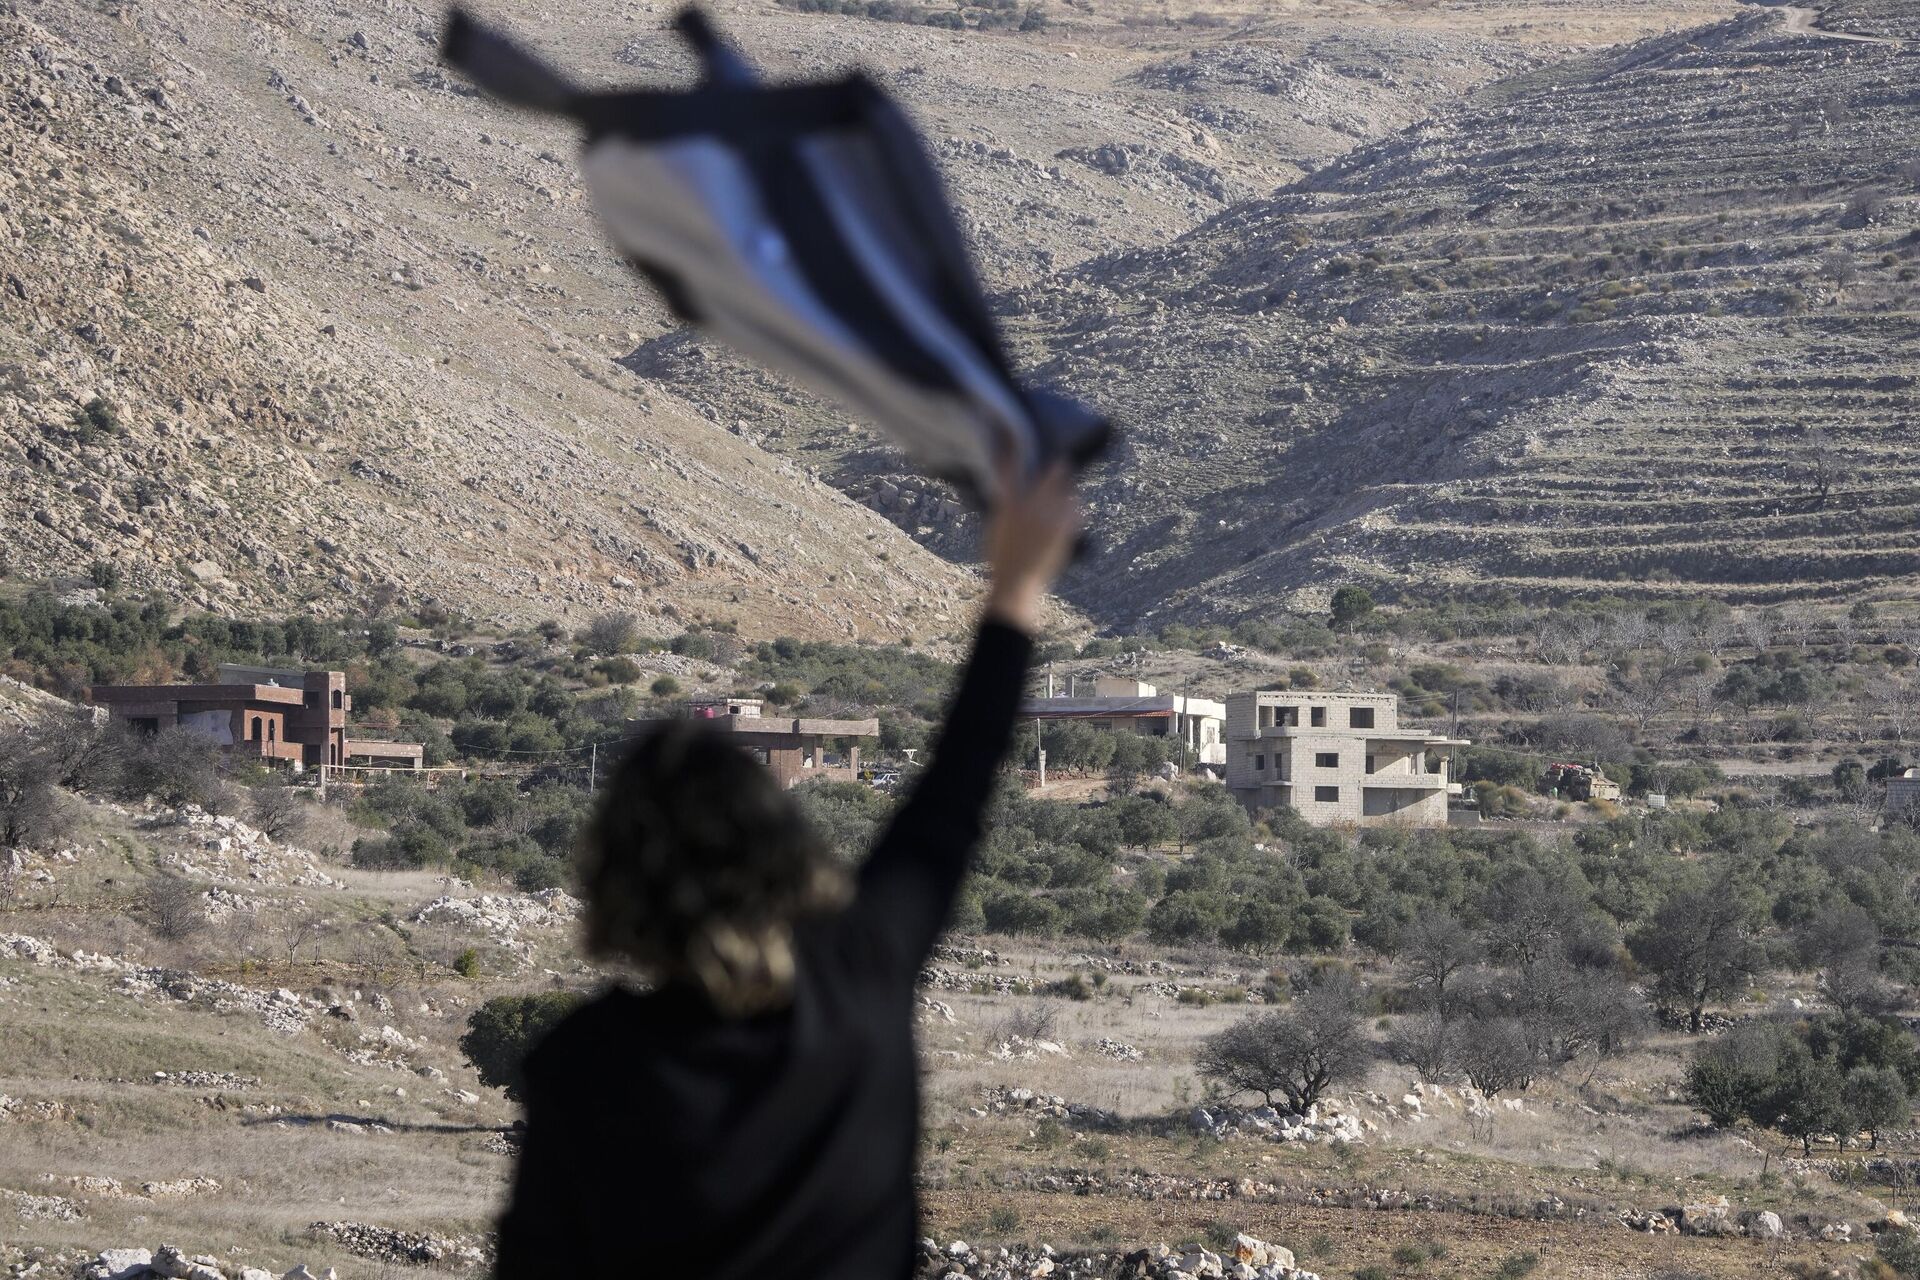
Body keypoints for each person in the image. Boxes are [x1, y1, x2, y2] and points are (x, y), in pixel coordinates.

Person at [494, 463, 1082, 1278]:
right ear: (783, 849)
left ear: (615, 883)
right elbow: (955, 788)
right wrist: (1016, 585)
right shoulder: (858, 977)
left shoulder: (584, 1068)